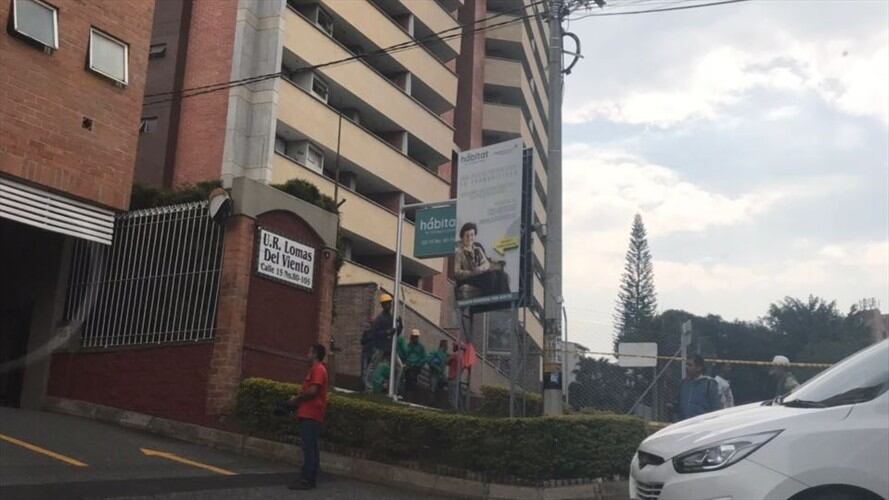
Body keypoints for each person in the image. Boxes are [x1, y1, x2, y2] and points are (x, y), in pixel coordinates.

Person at [287, 344, 328, 490]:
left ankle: (307, 480)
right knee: (312, 447)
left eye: (309, 352)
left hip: (312, 414)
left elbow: (312, 391)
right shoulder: (316, 369)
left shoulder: (318, 369)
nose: (307, 355)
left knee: (309, 447)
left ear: (315, 354)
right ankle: (309, 478)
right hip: (309, 413)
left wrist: (296, 399)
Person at [454, 223, 510, 300]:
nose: (470, 238)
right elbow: (457, 273)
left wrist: (481, 268)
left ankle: (506, 302)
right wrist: (471, 272)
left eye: (472, 235)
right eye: (467, 235)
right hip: (467, 278)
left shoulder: (477, 249)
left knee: (502, 275)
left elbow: (486, 263)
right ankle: (490, 303)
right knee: (491, 277)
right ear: (462, 237)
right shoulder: (459, 252)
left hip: (479, 275)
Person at [362, 293, 400, 390]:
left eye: (389, 303)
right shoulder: (379, 319)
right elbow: (375, 334)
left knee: (399, 367)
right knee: (372, 367)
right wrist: (387, 332)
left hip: (390, 347)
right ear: (382, 305)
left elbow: (395, 333)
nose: (388, 305)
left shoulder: (391, 317)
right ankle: (368, 386)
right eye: (386, 303)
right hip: (380, 347)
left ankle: (394, 389)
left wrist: (400, 326)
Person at [676, 354, 721, 421]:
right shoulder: (684, 383)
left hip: (702, 424)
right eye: (686, 365)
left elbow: (715, 407)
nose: (686, 367)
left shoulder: (709, 383)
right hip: (685, 423)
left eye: (690, 365)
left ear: (699, 367)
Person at [397, 329, 427, 394]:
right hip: (407, 366)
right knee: (406, 380)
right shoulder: (408, 346)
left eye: (417, 337)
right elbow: (404, 355)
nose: (415, 338)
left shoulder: (421, 347)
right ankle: (406, 394)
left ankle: (411, 394)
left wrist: (418, 364)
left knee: (412, 380)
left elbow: (424, 358)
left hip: (415, 367)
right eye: (414, 336)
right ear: (411, 337)